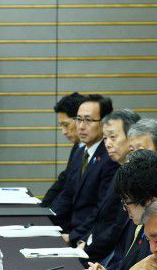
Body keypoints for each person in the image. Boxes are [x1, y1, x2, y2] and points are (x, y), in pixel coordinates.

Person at [51, 94, 119, 244]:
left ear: (105, 123)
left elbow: (101, 210)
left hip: (86, 238)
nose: (81, 126)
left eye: (88, 120)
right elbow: (67, 194)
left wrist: (73, 237)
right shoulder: (80, 152)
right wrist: (46, 220)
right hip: (70, 230)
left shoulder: (110, 158)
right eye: (78, 119)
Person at [74, 109, 141, 262]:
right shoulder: (120, 170)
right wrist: (84, 240)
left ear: (132, 138)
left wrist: (86, 252)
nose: (108, 144)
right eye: (105, 138)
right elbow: (100, 216)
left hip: (112, 258)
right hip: (95, 249)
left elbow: (116, 228)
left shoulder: (134, 178)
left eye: (113, 137)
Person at [42, 92, 85, 208]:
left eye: (66, 125)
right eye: (61, 125)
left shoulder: (104, 153)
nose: (63, 132)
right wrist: (43, 207)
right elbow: (64, 179)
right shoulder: (78, 147)